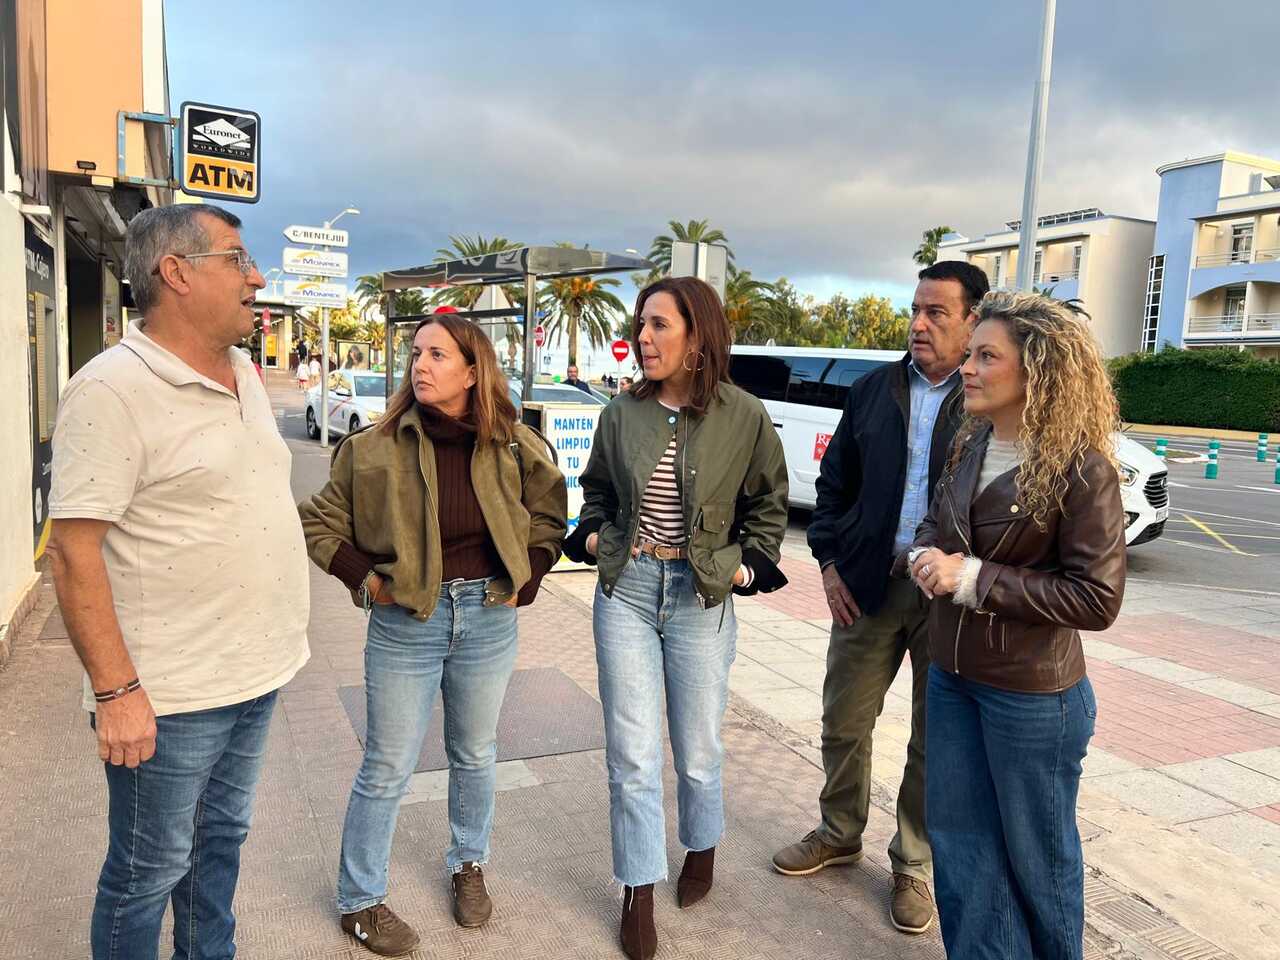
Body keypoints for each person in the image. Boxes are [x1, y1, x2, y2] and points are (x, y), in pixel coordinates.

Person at [46, 204, 310, 960]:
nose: (256, 278)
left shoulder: (243, 372)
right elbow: (72, 552)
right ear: (177, 273)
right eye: (237, 259)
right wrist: (116, 693)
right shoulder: (111, 390)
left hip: (255, 676)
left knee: (218, 847)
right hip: (169, 697)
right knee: (147, 872)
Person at [298, 312, 568, 956]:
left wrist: (528, 575)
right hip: (405, 624)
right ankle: (360, 899)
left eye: (438, 354)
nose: (420, 364)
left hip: (488, 618)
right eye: (416, 352)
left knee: (475, 753)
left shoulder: (514, 445)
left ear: (473, 372)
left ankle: (468, 864)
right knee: (387, 764)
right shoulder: (371, 448)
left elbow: (550, 516)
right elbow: (317, 523)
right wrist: (370, 581)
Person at [564, 276, 789, 960]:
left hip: (701, 597)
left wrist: (744, 568)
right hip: (627, 591)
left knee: (697, 751)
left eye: (659, 324)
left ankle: (702, 844)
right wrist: (596, 538)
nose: (643, 336)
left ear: (698, 335)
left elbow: (769, 503)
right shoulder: (621, 413)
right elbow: (597, 491)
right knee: (632, 754)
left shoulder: (744, 415)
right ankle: (638, 890)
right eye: (641, 323)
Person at [772, 260, 989, 935]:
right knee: (844, 719)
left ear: (973, 322)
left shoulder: (988, 399)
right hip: (867, 587)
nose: (919, 324)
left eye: (936, 313)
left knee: (934, 736)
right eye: (914, 310)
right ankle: (839, 832)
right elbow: (832, 488)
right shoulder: (872, 391)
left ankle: (913, 863)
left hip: (948, 600)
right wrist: (830, 563)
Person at [905, 292, 1124, 958]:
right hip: (952, 677)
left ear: (1038, 370)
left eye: (986, 357)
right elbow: (933, 524)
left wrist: (972, 579)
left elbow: (1096, 597)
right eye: (969, 355)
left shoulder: (1082, 468)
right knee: (962, 850)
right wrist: (922, 557)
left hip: (1032, 697)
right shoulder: (970, 443)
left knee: (1039, 862)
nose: (967, 368)